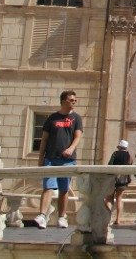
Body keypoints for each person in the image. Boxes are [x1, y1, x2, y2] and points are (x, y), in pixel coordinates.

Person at [35, 90, 83, 229]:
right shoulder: (52, 118)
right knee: (48, 187)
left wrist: (71, 149)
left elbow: (78, 136)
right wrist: (41, 158)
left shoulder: (76, 118)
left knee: (64, 189)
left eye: (75, 100)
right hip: (50, 158)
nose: (74, 102)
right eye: (71, 100)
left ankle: (62, 217)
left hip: (68, 160)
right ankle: (42, 215)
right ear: (63, 101)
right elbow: (44, 139)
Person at [104, 140, 132, 226]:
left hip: (113, 179)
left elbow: (110, 165)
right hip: (123, 180)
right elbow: (130, 167)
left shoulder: (115, 153)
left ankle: (108, 218)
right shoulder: (129, 156)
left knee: (109, 198)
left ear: (119, 147)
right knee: (119, 199)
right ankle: (118, 219)